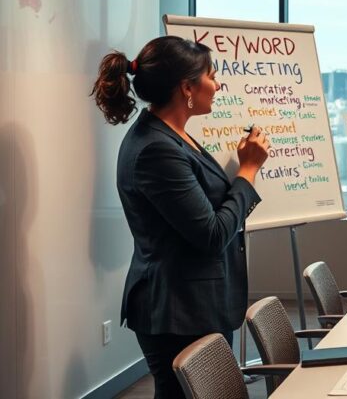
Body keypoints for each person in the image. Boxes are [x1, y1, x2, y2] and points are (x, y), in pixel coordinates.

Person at [91, 36, 270, 399]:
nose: (218, 85)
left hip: (194, 301)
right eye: (212, 76)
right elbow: (212, 234)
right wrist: (247, 171)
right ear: (187, 87)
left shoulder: (171, 136)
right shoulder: (157, 148)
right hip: (178, 308)